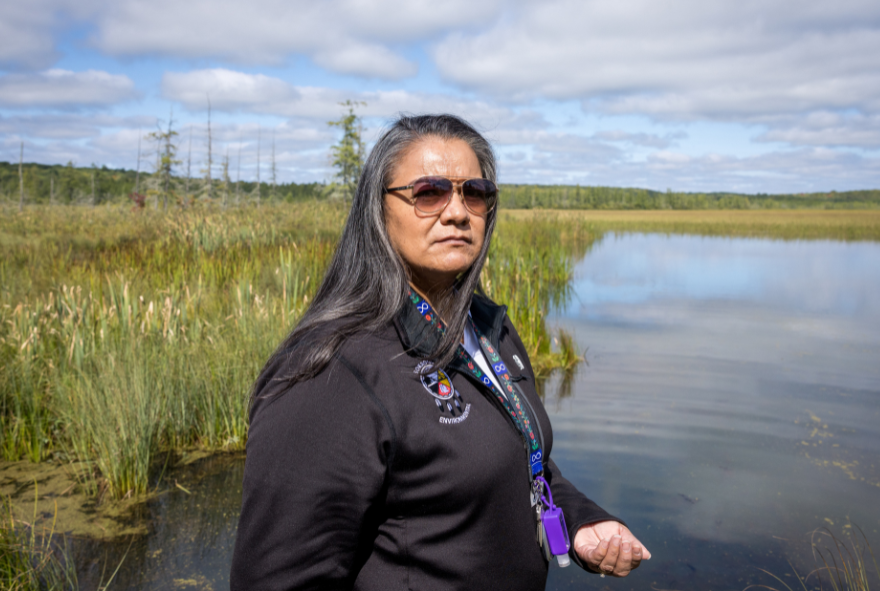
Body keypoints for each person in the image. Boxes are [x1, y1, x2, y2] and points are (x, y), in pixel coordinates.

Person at [230, 114, 651, 590]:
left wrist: (580, 520)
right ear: (379, 208)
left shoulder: (487, 326)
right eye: (429, 192)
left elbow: (517, 454)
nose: (457, 212)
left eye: (474, 192)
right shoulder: (333, 372)